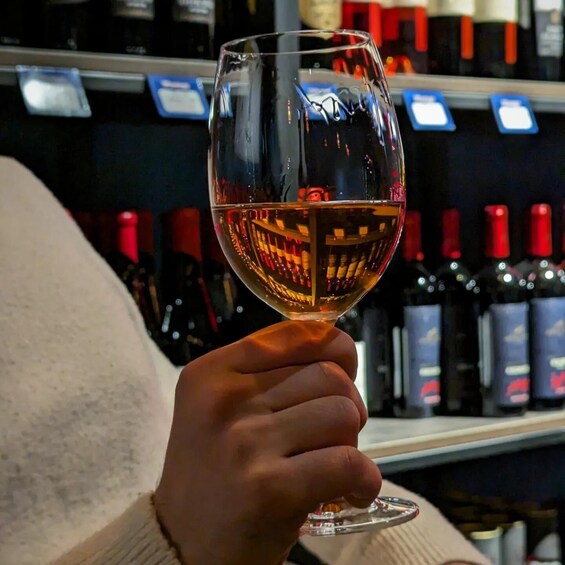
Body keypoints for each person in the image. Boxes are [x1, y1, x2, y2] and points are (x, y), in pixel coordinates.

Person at [0, 157, 489, 565]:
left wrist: (431, 557)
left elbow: (235, 462)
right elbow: (195, 511)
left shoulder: (19, 193)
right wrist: (175, 542)